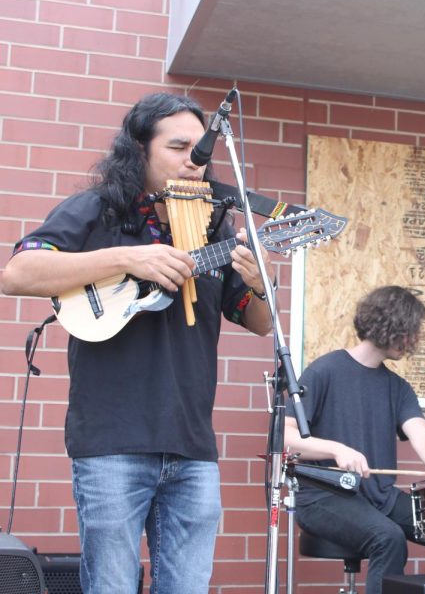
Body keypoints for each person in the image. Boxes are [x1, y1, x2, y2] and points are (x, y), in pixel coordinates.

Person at [1, 92, 276, 594]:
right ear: (140, 150)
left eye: (201, 150)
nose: (195, 161)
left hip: (192, 447)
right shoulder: (97, 211)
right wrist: (129, 260)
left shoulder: (214, 223)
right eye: (178, 147)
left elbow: (258, 321)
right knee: (111, 585)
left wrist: (258, 281)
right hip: (112, 442)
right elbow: (18, 272)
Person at [284, 285, 425, 594]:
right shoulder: (324, 371)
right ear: (391, 327)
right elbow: (285, 438)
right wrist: (336, 449)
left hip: (379, 495)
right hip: (323, 497)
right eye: (411, 332)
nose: (414, 341)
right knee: (388, 538)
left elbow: (422, 434)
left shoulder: (397, 387)